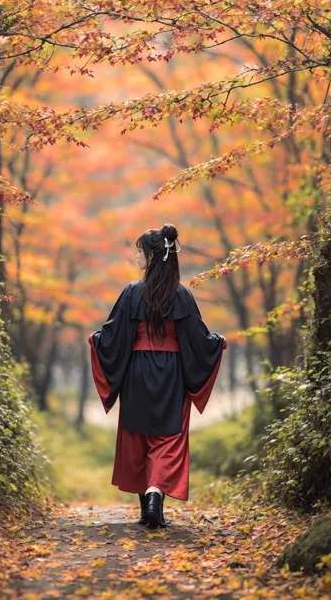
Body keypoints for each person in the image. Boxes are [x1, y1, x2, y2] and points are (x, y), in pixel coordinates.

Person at [88, 223, 226, 529]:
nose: (136, 256)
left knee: (138, 436)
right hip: (172, 373)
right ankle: (154, 496)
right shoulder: (183, 295)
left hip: (137, 370)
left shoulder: (131, 292)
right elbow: (197, 337)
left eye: (139, 251)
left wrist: (96, 341)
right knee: (168, 438)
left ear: (151, 256)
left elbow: (113, 334)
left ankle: (146, 507)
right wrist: (217, 343)